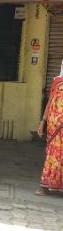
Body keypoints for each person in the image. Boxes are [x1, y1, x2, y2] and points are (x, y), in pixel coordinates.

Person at [35, 60, 63, 196]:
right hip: (54, 128)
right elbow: (50, 102)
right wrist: (42, 121)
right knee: (52, 156)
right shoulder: (57, 82)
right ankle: (45, 186)